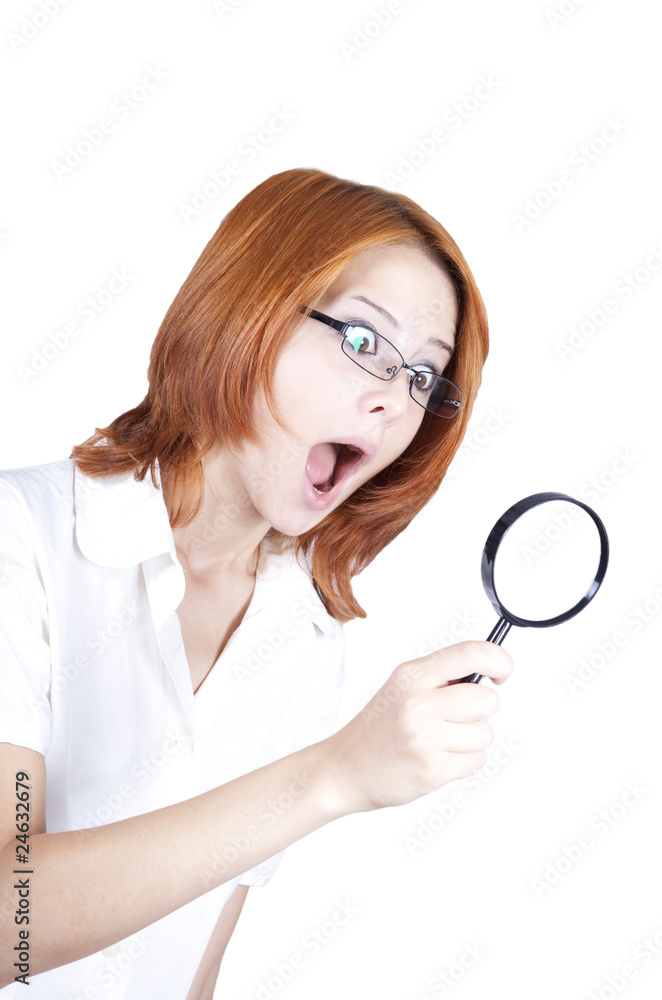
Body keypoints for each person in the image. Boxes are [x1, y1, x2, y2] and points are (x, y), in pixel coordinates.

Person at [0, 168, 512, 998]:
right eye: (361, 341)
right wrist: (333, 774)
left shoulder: (308, 637)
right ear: (248, 310)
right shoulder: (19, 538)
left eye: (423, 376)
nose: (392, 400)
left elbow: (190, 967)